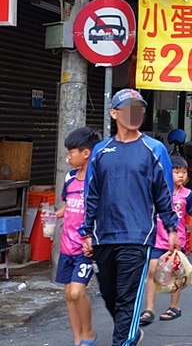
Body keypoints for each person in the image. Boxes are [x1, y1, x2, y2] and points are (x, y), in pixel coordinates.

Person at [81, 89, 179, 346]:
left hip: (138, 235)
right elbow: (91, 193)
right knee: (108, 294)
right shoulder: (101, 152)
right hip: (104, 235)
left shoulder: (154, 149)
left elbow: (164, 192)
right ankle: (131, 331)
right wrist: (87, 231)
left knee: (127, 297)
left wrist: (171, 228)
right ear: (114, 113)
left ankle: (123, 341)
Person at [139, 156, 192, 326]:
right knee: (152, 273)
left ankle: (174, 306)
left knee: (176, 274)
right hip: (156, 240)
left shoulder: (188, 195)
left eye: (184, 172)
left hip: (177, 242)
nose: (181, 176)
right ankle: (149, 308)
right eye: (176, 172)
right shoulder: (156, 193)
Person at [56, 127, 101, 346]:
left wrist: (92, 237)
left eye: (71, 152)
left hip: (85, 246)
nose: (68, 157)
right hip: (66, 245)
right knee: (68, 294)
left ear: (86, 153)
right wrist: (56, 215)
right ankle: (78, 339)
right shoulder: (70, 177)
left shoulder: (98, 179)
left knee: (76, 291)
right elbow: (67, 204)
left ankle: (89, 333)